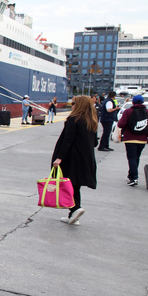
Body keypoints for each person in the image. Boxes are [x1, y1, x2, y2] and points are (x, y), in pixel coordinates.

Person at [50, 95, 98, 226]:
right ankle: (73, 215)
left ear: (80, 105)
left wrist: (59, 158)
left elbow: (67, 140)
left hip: (72, 158)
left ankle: (75, 209)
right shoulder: (91, 120)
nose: (72, 105)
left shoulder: (73, 119)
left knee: (66, 185)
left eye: (74, 103)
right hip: (86, 159)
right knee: (75, 186)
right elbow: (94, 143)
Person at [116, 94, 148, 187]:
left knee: (131, 158)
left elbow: (121, 124)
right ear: (142, 102)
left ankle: (134, 177)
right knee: (136, 158)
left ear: (133, 102)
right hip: (142, 140)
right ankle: (131, 175)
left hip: (130, 139)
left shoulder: (128, 111)